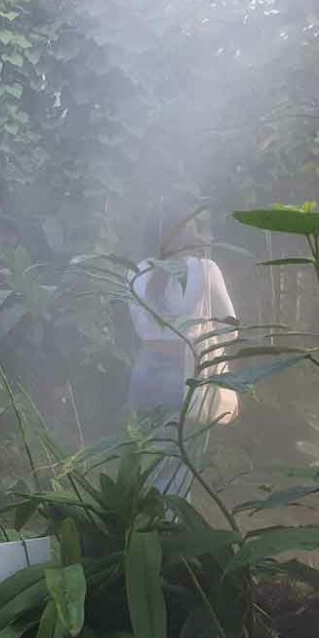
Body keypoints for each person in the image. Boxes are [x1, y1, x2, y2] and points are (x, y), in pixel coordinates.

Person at [127, 205, 237, 498]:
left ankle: (148, 527)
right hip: (186, 370)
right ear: (186, 232)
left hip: (145, 370)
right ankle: (171, 528)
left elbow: (138, 324)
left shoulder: (138, 271)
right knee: (180, 460)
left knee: (150, 454)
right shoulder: (206, 270)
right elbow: (231, 327)